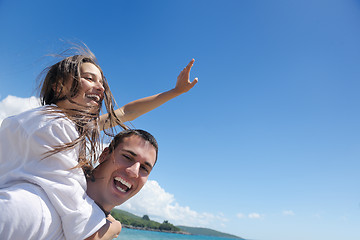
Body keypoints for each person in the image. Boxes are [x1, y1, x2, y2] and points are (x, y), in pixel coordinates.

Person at [0, 45, 197, 240]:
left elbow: (127, 112)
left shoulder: (67, 125)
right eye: (89, 78)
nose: (101, 87)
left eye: (101, 82)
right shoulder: (53, 126)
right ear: (58, 85)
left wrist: (175, 92)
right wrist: (114, 226)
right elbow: (82, 229)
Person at [0, 129, 158, 240]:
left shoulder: (101, 224)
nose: (134, 172)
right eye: (127, 157)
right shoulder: (35, 207)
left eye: (144, 168)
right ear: (104, 155)